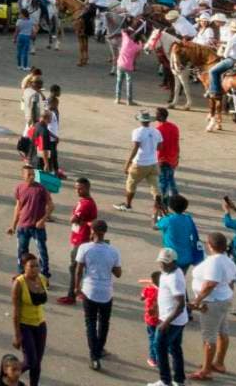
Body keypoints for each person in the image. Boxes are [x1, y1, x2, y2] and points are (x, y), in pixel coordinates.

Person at [71, 219, 120, 372]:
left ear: (92, 231)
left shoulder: (84, 248)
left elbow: (78, 270)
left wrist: (76, 287)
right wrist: (109, 265)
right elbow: (118, 273)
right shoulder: (113, 251)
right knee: (104, 323)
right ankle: (99, 349)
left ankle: (94, 357)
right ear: (105, 232)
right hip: (106, 292)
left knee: (90, 322)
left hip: (89, 290)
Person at [55, 177, 96, 305]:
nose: (77, 190)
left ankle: (72, 295)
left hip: (82, 239)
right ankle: (82, 291)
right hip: (80, 237)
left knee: (74, 268)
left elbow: (73, 219)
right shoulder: (85, 201)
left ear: (87, 188)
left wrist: (76, 218)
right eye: (76, 188)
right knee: (80, 267)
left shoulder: (85, 204)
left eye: (80, 188)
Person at [8, 255, 47, 386]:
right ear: (24, 267)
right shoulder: (19, 283)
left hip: (41, 325)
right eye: (32, 266)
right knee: (30, 361)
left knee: (37, 363)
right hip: (25, 325)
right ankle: (6, 377)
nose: (35, 269)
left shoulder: (42, 279)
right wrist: (17, 334)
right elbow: (15, 311)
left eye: (37, 266)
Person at [152, 247, 189, 386]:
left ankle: (165, 381)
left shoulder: (174, 278)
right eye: (161, 261)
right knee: (175, 348)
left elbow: (180, 305)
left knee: (159, 346)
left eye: (166, 262)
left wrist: (165, 323)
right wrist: (157, 307)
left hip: (172, 321)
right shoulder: (170, 272)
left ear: (174, 262)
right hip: (175, 319)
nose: (162, 264)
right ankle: (179, 380)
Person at [5, 165, 50, 272]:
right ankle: (22, 274)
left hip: (38, 227)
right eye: (29, 174)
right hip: (23, 226)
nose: (32, 176)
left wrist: (43, 220)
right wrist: (13, 226)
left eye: (33, 174)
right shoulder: (19, 188)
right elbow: (18, 207)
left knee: (42, 252)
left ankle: (44, 275)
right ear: (23, 176)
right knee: (22, 252)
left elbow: (51, 206)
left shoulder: (41, 189)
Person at [117, 111, 160, 213]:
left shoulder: (137, 131)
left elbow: (135, 147)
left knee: (131, 183)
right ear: (149, 121)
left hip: (140, 163)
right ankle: (158, 205)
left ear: (140, 121)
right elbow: (159, 146)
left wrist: (128, 163)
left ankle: (128, 205)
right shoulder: (156, 131)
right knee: (155, 186)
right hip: (153, 163)